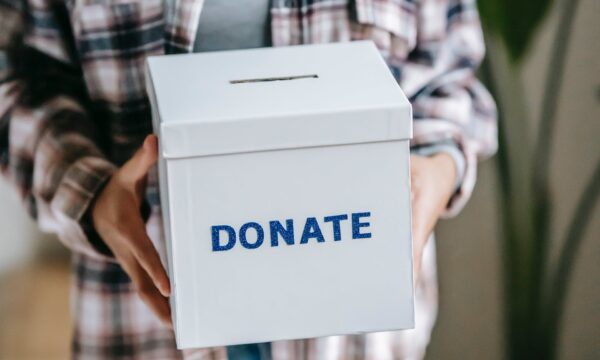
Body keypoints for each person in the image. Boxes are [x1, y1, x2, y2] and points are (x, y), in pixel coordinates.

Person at [0, 0, 497, 359]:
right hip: (143, 320)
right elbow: (19, 77)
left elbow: (449, 75)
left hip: (356, 339)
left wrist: (435, 171)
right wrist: (90, 190)